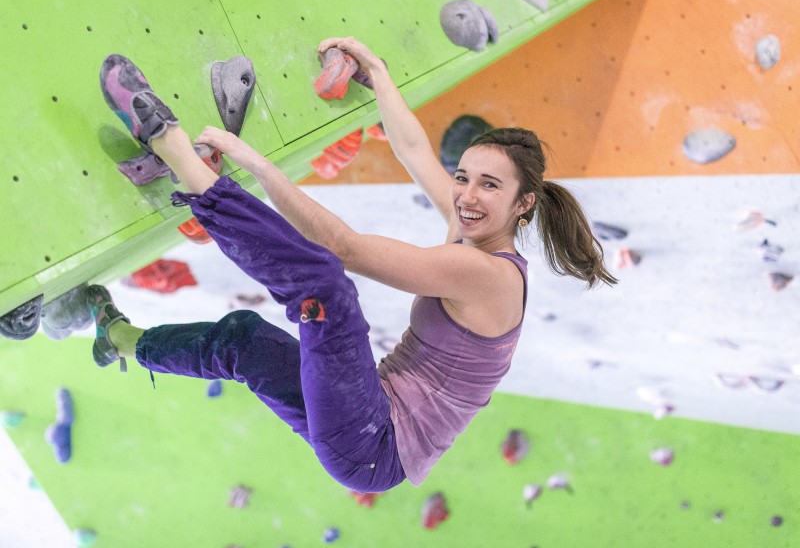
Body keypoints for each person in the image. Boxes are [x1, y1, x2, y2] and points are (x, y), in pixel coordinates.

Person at [91, 37, 616, 493]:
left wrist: (247, 158)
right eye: (464, 177)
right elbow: (413, 149)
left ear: (523, 203)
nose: (467, 195)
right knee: (243, 340)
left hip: (374, 444)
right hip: (366, 406)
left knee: (326, 288)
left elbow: (345, 247)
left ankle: (173, 149)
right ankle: (116, 338)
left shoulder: (489, 275)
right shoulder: (472, 230)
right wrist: (379, 74)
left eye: (490, 185)